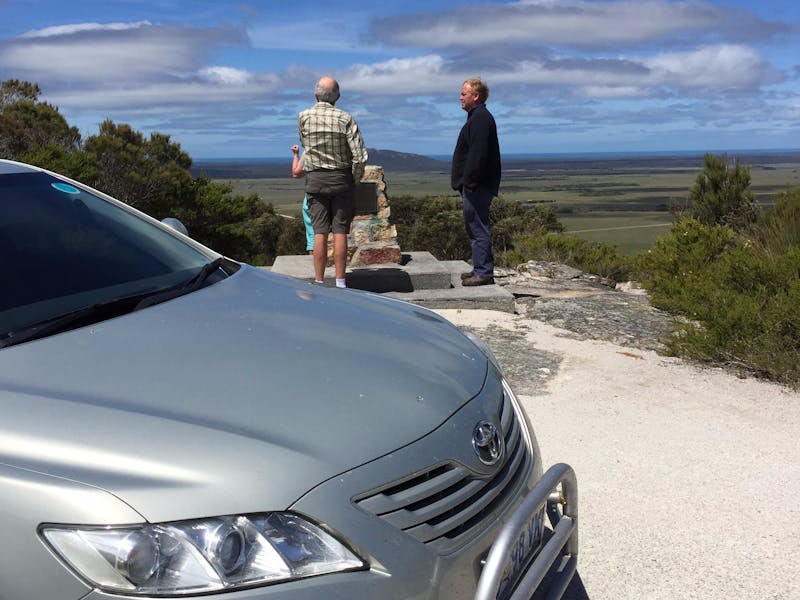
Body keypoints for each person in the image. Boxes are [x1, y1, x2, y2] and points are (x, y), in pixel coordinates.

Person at [298, 76, 368, 288]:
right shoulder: (345, 118)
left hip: (315, 180)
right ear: (337, 97)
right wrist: (353, 179)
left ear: (316, 95)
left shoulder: (303, 117)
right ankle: (340, 282)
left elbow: (305, 144)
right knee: (340, 232)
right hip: (341, 179)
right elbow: (360, 157)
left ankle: (319, 280)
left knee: (319, 232)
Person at [451, 77, 501, 286]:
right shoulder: (477, 117)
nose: (460, 97)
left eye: (464, 94)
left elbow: (478, 155)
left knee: (478, 227)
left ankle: (484, 272)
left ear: (476, 96)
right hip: (475, 185)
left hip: (477, 186)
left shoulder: (480, 119)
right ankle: (480, 267)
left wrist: (469, 182)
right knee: (474, 228)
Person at [290, 144, 314, 255]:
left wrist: (296, 155)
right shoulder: (341, 147)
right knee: (339, 232)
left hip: (315, 195)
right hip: (340, 192)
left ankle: (316, 264)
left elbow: (296, 173)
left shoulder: (311, 148)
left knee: (314, 234)